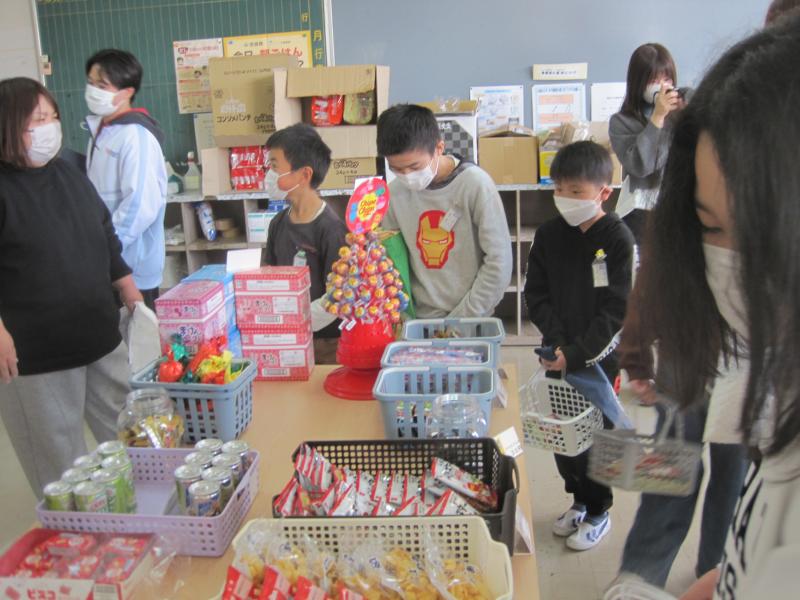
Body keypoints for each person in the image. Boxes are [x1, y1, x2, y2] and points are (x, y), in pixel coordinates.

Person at [622, 16, 800, 599]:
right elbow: (661, 261)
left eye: (764, 241)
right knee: (670, 463)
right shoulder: (643, 131)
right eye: (711, 229)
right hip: (688, 353)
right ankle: (644, 569)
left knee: (729, 469)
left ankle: (707, 556)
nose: (735, 266)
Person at [0, 77, 141, 497]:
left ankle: (135, 516)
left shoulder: (70, 170)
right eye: (37, 120)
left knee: (128, 437)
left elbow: (103, 230)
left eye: (53, 117)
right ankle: (74, 533)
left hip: (99, 332)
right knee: (60, 461)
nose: (50, 128)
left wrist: (128, 287)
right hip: (36, 352)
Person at [524, 141, 634, 551]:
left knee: (597, 437)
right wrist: (557, 344)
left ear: (603, 192)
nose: (565, 198)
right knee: (561, 434)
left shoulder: (618, 239)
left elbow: (617, 308)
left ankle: (599, 510)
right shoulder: (549, 235)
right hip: (556, 354)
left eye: (576, 191)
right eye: (559, 189)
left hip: (599, 357)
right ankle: (578, 500)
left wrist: (577, 352)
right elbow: (536, 294)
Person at [609, 280, 748, 589]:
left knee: (727, 480)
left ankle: (711, 574)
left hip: (740, 363)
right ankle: (648, 580)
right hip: (692, 354)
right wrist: (635, 355)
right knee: (675, 476)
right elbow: (656, 272)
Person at [376, 104, 512, 318]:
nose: (407, 175)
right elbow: (392, 262)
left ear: (439, 148)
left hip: (471, 317)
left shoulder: (475, 185)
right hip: (418, 320)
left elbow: (499, 262)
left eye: (415, 167)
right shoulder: (393, 193)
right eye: (397, 169)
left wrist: (461, 320)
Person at [85, 49, 167, 311]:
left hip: (130, 264)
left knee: (137, 333)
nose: (93, 91)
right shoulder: (102, 130)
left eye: (102, 86)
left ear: (127, 91)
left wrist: (107, 248)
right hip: (107, 260)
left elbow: (140, 206)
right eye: (90, 83)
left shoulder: (135, 135)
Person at [263, 124, 347, 364]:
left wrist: (298, 322)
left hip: (324, 343)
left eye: (274, 166)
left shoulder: (331, 229)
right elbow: (269, 276)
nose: (268, 175)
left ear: (304, 174)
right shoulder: (278, 223)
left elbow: (338, 296)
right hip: (284, 337)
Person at [609, 43, 687, 244]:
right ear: (638, 83)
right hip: (640, 211)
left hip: (679, 206)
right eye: (654, 80)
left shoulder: (681, 113)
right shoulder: (621, 122)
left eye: (667, 79)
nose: (662, 86)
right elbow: (640, 166)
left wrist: (685, 115)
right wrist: (658, 117)